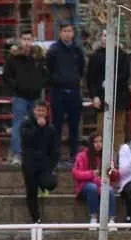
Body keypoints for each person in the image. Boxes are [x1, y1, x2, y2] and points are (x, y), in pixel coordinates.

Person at [3, 30, 47, 165]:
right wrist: (16, 85)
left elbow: (46, 74)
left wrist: (39, 84)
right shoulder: (13, 57)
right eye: (24, 39)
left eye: (29, 39)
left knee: (37, 124)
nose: (26, 42)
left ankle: (35, 153)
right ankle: (17, 154)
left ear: (33, 40)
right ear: (20, 40)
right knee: (18, 125)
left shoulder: (39, 57)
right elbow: (6, 76)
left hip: (35, 97)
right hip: (20, 97)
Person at [45, 22, 85, 165]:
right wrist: (56, 80)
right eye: (65, 31)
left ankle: (74, 155)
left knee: (74, 125)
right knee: (57, 125)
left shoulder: (77, 50)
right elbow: (48, 69)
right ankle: (56, 157)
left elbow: (81, 69)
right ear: (60, 32)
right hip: (58, 92)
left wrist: (74, 79)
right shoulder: (53, 50)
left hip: (74, 92)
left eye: (70, 31)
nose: (68, 34)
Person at [86, 29, 131, 153]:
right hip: (101, 98)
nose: (107, 38)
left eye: (110, 35)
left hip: (119, 97)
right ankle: (102, 155)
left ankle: (118, 155)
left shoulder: (122, 55)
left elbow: (125, 75)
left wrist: (111, 81)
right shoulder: (95, 56)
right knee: (102, 129)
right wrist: (94, 96)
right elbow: (91, 79)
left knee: (118, 129)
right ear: (101, 38)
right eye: (105, 35)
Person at [19, 101, 59, 223]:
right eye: (38, 110)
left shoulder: (50, 128)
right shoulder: (26, 124)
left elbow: (53, 148)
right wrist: (37, 127)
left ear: (46, 112)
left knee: (51, 183)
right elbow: (26, 139)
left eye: (43, 111)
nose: (40, 113)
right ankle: (36, 219)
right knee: (31, 192)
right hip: (29, 163)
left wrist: (52, 165)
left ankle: (43, 186)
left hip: (44, 164)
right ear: (34, 111)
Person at [73, 132, 118, 225]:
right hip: (85, 187)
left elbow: (114, 177)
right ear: (91, 143)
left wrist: (112, 172)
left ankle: (111, 219)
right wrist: (91, 174)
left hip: (102, 185)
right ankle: (93, 218)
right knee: (92, 188)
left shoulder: (107, 156)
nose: (98, 144)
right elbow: (76, 173)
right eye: (95, 142)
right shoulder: (82, 156)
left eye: (100, 141)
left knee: (109, 190)